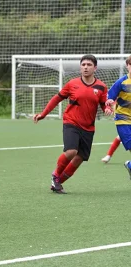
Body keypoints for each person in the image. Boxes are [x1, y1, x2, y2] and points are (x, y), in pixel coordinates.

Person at [33, 54, 112, 194]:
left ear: (95, 68)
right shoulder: (72, 84)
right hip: (71, 122)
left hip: (88, 127)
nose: (86, 67)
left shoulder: (101, 87)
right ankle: (55, 175)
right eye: (83, 65)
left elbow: (104, 104)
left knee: (79, 159)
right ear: (80, 67)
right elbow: (56, 99)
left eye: (89, 65)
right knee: (71, 151)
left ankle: (57, 183)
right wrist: (43, 114)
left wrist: (107, 109)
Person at [105, 55, 131, 177]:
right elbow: (109, 96)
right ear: (127, 66)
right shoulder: (121, 82)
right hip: (123, 120)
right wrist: (109, 103)